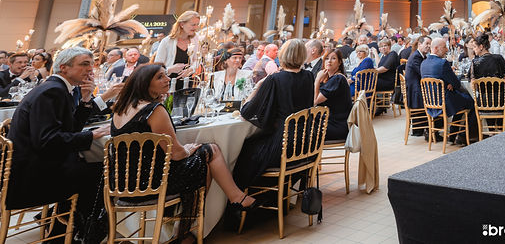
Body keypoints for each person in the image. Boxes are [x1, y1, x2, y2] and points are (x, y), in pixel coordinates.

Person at [111, 64, 255, 242]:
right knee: (209, 151)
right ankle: (187, 231)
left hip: (123, 184)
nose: (167, 79)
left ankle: (231, 201)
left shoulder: (119, 110)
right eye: (160, 77)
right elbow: (176, 154)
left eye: (166, 75)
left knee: (203, 155)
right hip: (154, 184)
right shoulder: (154, 111)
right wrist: (187, 148)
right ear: (145, 83)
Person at [5, 47, 113, 239]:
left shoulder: (58, 88)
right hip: (31, 175)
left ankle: (61, 229)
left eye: (91, 64)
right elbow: (47, 141)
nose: (90, 69)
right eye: (84, 64)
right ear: (64, 67)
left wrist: (86, 100)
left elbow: (69, 130)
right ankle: (75, 234)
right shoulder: (53, 91)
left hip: (35, 165)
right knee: (105, 174)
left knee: (97, 168)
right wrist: (92, 135)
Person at [233, 38, 314, 190]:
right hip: (304, 143)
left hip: (282, 146)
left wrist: (257, 87)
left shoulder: (275, 79)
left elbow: (247, 112)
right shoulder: (309, 76)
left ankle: (243, 196)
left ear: (283, 54)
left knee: (242, 150)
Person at [420, 37, 477, 144]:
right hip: (446, 102)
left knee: (461, 102)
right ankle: (463, 136)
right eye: (444, 47)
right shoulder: (442, 63)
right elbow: (457, 84)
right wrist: (455, 80)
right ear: (436, 48)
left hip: (431, 103)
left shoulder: (424, 63)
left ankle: (453, 134)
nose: (446, 49)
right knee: (474, 103)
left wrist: (450, 83)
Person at [314, 48, 351, 141]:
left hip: (336, 126)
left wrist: (317, 80)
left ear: (339, 62)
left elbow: (315, 101)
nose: (329, 61)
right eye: (327, 58)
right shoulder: (331, 79)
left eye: (333, 58)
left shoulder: (337, 79)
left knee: (301, 128)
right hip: (331, 122)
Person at [470, 33, 505, 109]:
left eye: (474, 47)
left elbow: (473, 87)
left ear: (481, 47)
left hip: (483, 104)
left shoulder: (475, 62)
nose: (473, 49)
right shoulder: (499, 58)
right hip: (501, 102)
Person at [154, 11, 200, 79]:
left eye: (197, 24)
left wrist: (191, 69)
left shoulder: (196, 39)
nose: (196, 27)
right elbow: (157, 67)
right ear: (182, 24)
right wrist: (170, 69)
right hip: (168, 81)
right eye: (193, 25)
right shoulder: (166, 41)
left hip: (189, 80)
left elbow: (197, 60)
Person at [404, 36, 430, 120]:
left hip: (417, 88)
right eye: (427, 43)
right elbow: (423, 73)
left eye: (430, 44)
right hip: (415, 92)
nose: (429, 46)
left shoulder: (422, 56)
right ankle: (434, 124)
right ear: (419, 44)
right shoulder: (416, 56)